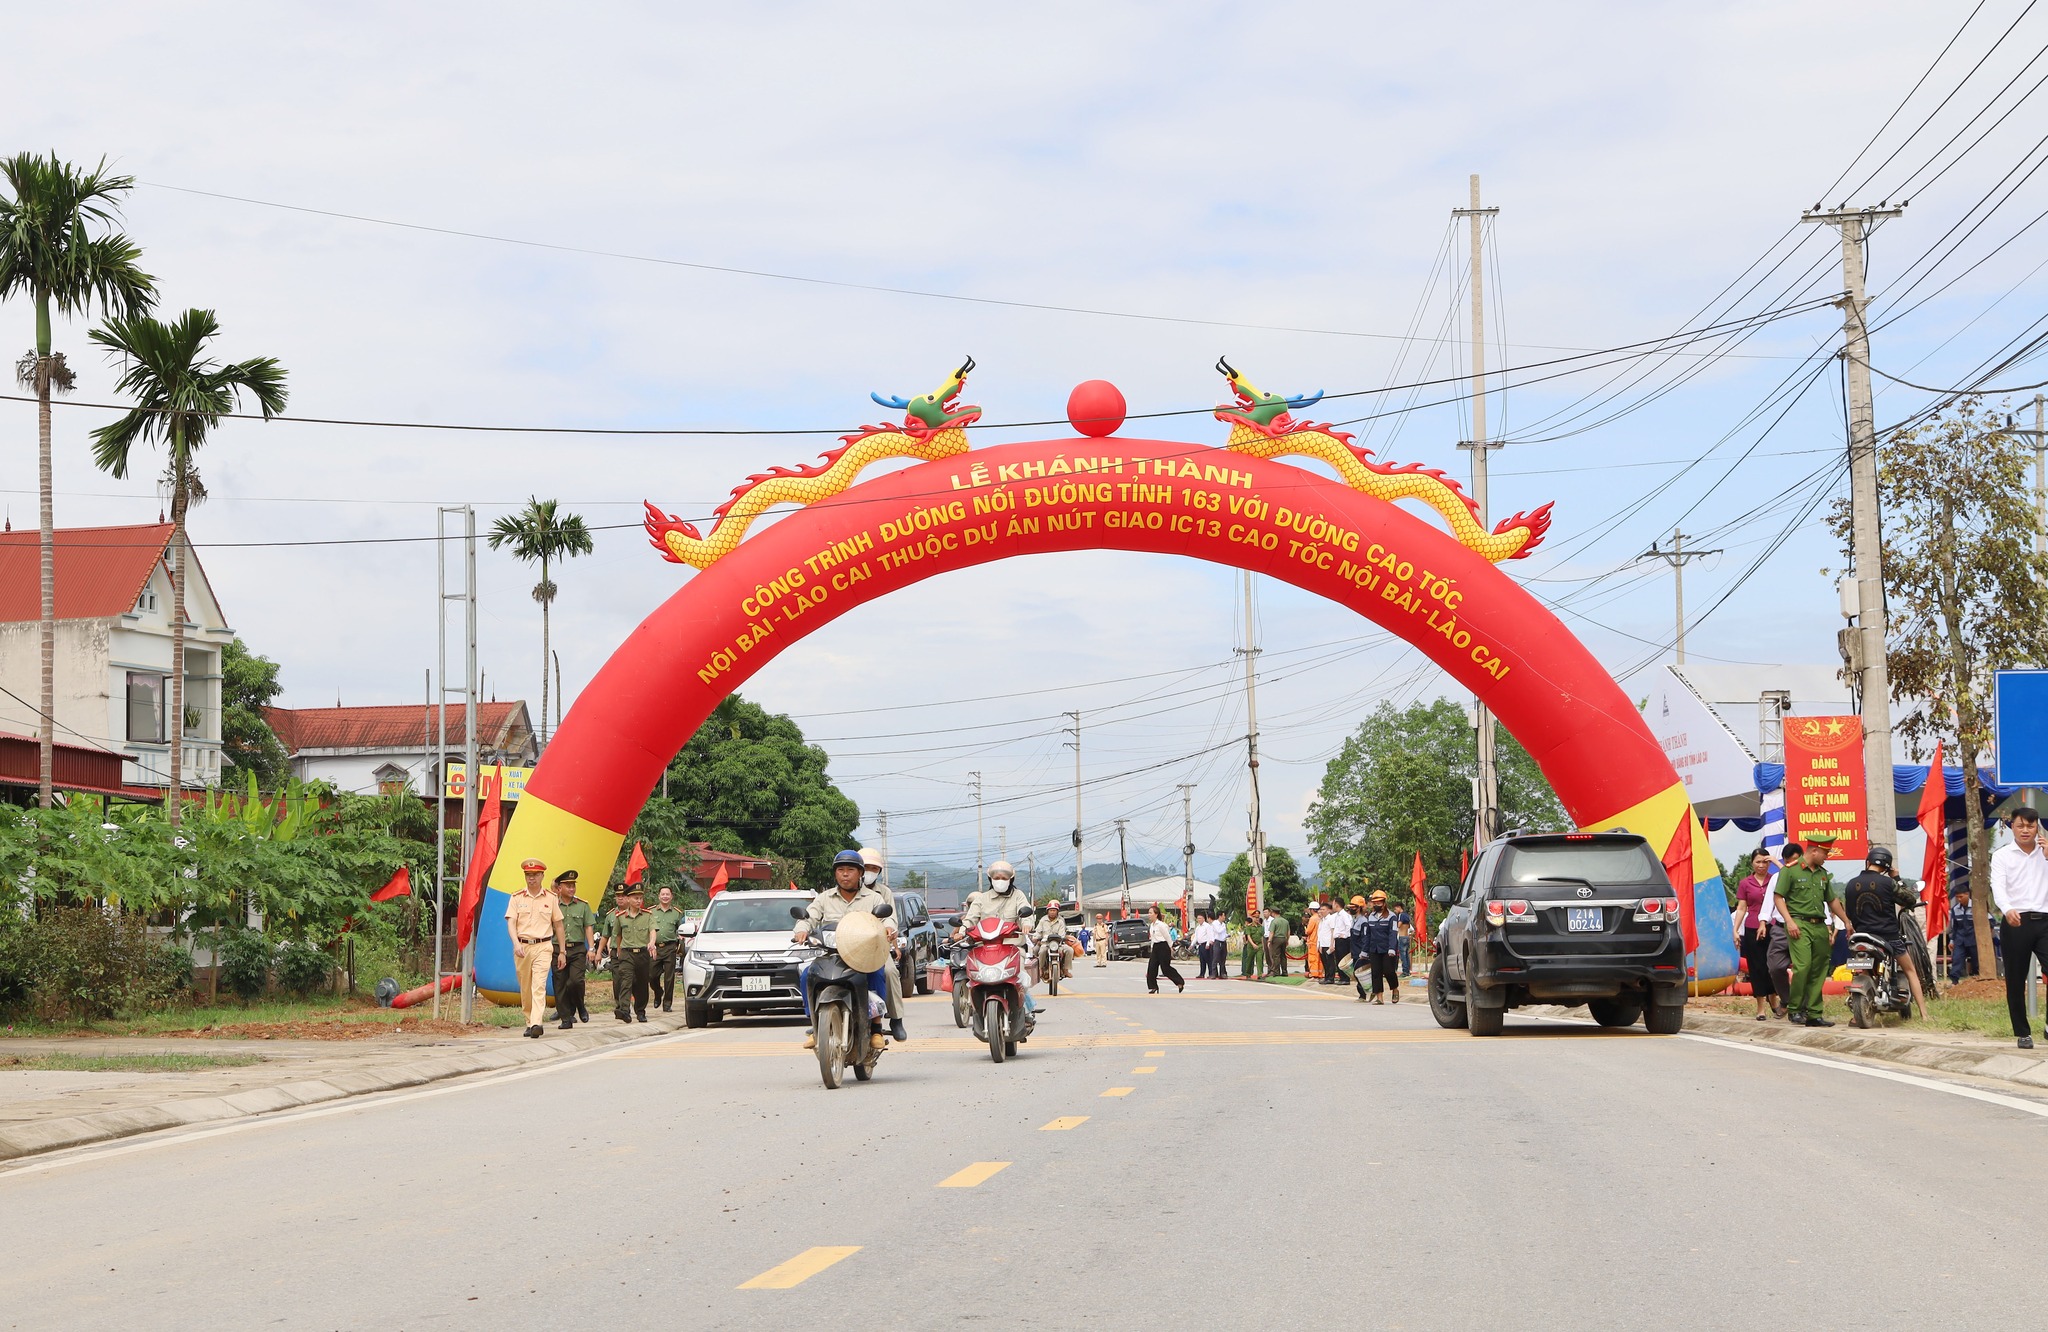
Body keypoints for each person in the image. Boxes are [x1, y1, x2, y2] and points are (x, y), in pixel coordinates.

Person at [798, 850, 895, 1050]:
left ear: (860, 873)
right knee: (807, 974)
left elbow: (888, 918)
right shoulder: (824, 898)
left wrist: (889, 928)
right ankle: (815, 1026)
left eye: (850, 870)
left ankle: (876, 1027)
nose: (845, 874)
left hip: (864, 955)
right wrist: (801, 930)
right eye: (840, 870)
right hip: (831, 955)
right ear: (835, 874)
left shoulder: (874, 898)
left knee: (879, 973)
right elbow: (809, 917)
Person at [1765, 833, 1847, 1027]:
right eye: (1825, 852)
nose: (1827, 856)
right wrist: (1789, 921)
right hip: (1798, 924)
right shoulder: (1790, 871)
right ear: (1815, 850)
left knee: (1819, 970)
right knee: (1803, 967)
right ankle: (1795, 1009)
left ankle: (1814, 1014)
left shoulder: (1822, 874)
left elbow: (1832, 900)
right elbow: (1778, 898)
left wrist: (1846, 921)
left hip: (1819, 925)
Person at [1842, 845, 1929, 1019]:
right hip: (1888, 937)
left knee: (1863, 969)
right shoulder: (1888, 883)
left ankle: (1860, 1010)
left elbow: (1850, 912)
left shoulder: (1851, 884)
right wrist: (1896, 877)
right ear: (1887, 867)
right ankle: (1924, 1014)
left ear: (1868, 862)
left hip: (1861, 936)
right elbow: (1910, 899)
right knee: (1910, 970)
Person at [1990, 806, 2048, 1050]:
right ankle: (2023, 1032)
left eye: (2031, 826)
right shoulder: (2002, 856)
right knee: (2015, 979)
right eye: (2021, 825)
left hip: (2045, 920)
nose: (2026, 830)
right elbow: (1998, 887)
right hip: (2016, 921)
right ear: (2011, 826)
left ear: (2038, 828)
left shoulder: (2045, 853)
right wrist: (2007, 908)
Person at [959, 860, 1038, 1022]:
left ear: (1011, 879)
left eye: (1004, 877)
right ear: (990, 879)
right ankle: (976, 1006)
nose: (1000, 880)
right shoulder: (981, 899)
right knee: (974, 978)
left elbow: (1026, 914)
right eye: (997, 877)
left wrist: (1027, 925)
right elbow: (970, 919)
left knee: (1020, 978)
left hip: (1012, 947)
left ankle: (1027, 1011)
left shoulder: (1018, 896)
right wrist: (961, 932)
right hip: (984, 949)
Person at [506, 858, 565, 1038]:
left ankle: (537, 1023)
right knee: (526, 987)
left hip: (544, 946)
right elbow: (511, 922)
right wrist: (516, 943)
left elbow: (559, 925)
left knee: (539, 985)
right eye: (528, 875)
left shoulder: (551, 898)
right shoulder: (516, 898)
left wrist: (562, 951)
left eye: (535, 875)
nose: (531, 878)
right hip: (523, 947)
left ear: (542, 876)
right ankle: (529, 1020)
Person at [859, 849, 908, 1038]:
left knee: (889, 972)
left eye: (874, 868)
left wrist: (891, 937)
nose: (869, 872)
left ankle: (896, 1019)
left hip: (876, 946)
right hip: (847, 945)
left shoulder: (884, 893)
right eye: (866, 867)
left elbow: (891, 920)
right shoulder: (840, 890)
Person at [1734, 850, 1781, 1020]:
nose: (1761, 866)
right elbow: (1741, 908)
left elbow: (1791, 876)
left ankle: (1774, 999)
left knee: (1774, 965)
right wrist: (1735, 930)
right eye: (1758, 862)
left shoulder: (1775, 880)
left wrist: (1776, 862)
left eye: (1765, 862)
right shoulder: (1745, 883)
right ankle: (1761, 1006)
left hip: (1773, 927)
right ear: (1752, 863)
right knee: (1757, 967)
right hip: (1752, 928)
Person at [605, 885, 659, 1023]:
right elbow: (617, 934)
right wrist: (619, 949)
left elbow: (653, 930)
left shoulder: (648, 915)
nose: (638, 901)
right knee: (625, 981)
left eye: (640, 898)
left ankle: (640, 1011)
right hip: (626, 953)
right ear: (628, 899)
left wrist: (652, 942)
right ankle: (624, 1010)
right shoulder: (620, 917)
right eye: (635, 898)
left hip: (642, 953)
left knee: (641, 983)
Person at [553, 870, 596, 1031]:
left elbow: (588, 927)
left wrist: (591, 948)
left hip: (577, 949)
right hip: (557, 949)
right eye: (568, 886)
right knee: (560, 984)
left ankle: (580, 1005)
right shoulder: (553, 906)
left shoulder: (582, 905)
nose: (571, 889)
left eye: (573, 886)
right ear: (559, 888)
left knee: (575, 981)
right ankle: (566, 1018)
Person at [1355, 891, 1401, 1003]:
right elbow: (1367, 935)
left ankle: (1395, 989)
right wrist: (1364, 951)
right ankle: (1379, 997)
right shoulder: (1371, 917)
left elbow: (1393, 933)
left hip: (1387, 949)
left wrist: (1392, 948)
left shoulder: (1392, 917)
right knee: (1376, 973)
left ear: (1384, 903)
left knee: (1389, 971)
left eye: (1379, 903)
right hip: (1373, 948)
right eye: (1374, 903)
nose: (1376, 905)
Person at [647, 885, 685, 1013]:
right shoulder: (650, 912)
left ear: (671, 896)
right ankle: (658, 992)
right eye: (662, 894)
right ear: (659, 896)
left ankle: (667, 1003)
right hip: (655, 948)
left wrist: (680, 946)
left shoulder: (677, 913)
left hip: (670, 948)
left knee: (669, 978)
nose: (665, 896)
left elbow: (681, 931)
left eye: (667, 894)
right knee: (651, 975)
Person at [1145, 905, 1185, 994]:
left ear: (1156, 914)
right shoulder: (1151, 925)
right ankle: (1153, 987)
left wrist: (1171, 947)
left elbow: (1167, 937)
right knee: (1151, 968)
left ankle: (1179, 982)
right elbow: (1153, 938)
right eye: (1149, 913)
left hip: (1163, 947)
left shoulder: (1161, 925)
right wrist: (1152, 948)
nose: (1149, 914)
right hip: (1155, 947)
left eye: (1151, 913)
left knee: (1165, 969)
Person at [1032, 902, 1069, 988]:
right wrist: (1036, 938)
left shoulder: (1061, 921)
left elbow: (1062, 934)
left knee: (1069, 950)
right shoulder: (1042, 920)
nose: (1052, 912)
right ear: (1047, 911)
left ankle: (1066, 970)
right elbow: (1038, 932)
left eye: (1054, 910)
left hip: (1058, 944)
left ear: (1057, 911)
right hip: (1045, 944)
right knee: (1041, 951)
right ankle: (1040, 969)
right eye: (1051, 910)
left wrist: (1062, 938)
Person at [1948, 887, 1976, 983]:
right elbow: (1954, 927)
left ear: (1967, 894)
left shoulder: (1976, 907)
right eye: (1957, 897)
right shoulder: (1955, 909)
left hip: (1973, 939)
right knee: (1957, 959)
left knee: (1976, 961)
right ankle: (1954, 981)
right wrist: (1952, 940)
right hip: (1960, 939)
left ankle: (1976, 978)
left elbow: (1990, 921)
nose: (1959, 899)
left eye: (1961, 896)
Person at [1265, 908, 1289, 977]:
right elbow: (1288, 932)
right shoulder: (1285, 921)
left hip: (1276, 939)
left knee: (1276, 955)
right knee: (1283, 956)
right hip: (1284, 938)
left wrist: (1269, 941)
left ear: (1273, 913)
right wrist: (1287, 940)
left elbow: (1272, 932)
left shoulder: (1274, 921)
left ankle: (1276, 971)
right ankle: (1284, 971)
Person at [1303, 905, 1325, 982]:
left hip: (1313, 941)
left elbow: (1308, 931)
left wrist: (1306, 930)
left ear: (1312, 910)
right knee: (1319, 959)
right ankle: (1320, 974)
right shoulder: (1320, 917)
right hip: (1320, 941)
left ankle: (1314, 975)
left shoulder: (1313, 918)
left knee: (1313, 959)